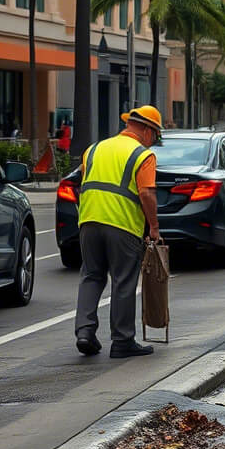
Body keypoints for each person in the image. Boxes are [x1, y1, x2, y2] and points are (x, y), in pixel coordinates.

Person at [74, 105, 163, 358]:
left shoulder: (94, 149)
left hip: (89, 220)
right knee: (124, 281)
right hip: (121, 225)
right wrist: (154, 227)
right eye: (155, 136)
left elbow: (83, 181)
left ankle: (85, 332)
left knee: (91, 275)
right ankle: (122, 341)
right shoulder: (142, 155)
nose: (154, 142)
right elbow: (146, 192)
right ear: (147, 130)